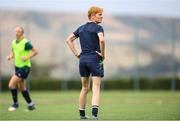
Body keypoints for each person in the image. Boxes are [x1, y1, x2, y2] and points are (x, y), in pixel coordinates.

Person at [66, 6, 105, 120]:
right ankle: (94, 115)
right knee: (96, 87)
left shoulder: (81, 28)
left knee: (84, 88)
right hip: (94, 59)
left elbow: (68, 40)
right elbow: (102, 40)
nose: (102, 17)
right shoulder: (98, 28)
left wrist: (76, 54)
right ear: (92, 16)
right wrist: (103, 54)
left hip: (82, 60)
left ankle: (82, 115)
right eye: (99, 14)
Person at [7, 26, 38, 111]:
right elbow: (13, 54)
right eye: (15, 31)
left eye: (18, 31)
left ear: (22, 33)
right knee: (21, 88)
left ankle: (15, 104)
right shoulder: (13, 42)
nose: (16, 33)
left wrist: (27, 57)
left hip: (25, 67)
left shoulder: (26, 43)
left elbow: (35, 51)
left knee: (11, 84)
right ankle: (31, 104)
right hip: (17, 67)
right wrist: (10, 56)